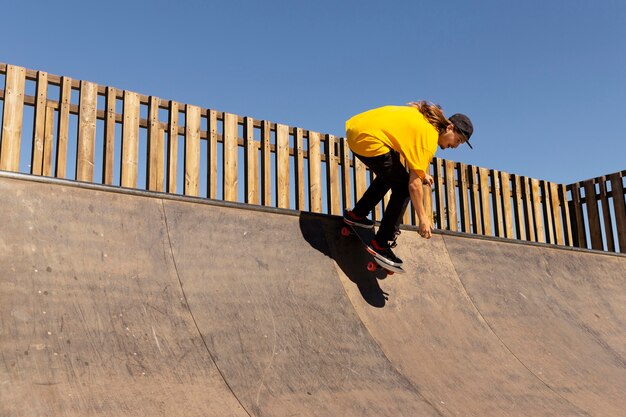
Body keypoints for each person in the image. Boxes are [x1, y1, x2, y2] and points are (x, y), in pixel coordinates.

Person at [343, 101, 473, 269]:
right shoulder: (429, 136)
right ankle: (381, 244)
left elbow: (404, 141)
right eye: (458, 140)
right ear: (449, 128)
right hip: (368, 139)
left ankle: (357, 215)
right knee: (404, 188)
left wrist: (420, 172)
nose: (455, 146)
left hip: (357, 129)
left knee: (392, 176)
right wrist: (423, 218)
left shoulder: (424, 120)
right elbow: (414, 185)